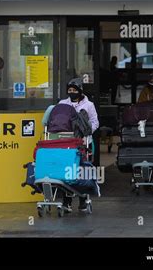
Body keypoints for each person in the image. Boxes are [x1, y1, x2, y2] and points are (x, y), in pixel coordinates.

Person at [58, 78, 100, 212]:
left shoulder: (89, 105)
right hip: (66, 140)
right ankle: (67, 201)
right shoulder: (62, 103)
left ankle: (83, 200)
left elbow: (95, 122)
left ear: (80, 91)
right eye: (69, 90)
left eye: (74, 90)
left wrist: (87, 132)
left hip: (82, 141)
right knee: (66, 169)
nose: (72, 92)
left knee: (81, 168)